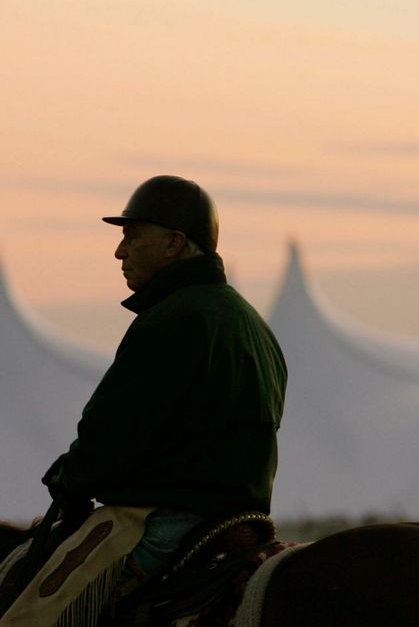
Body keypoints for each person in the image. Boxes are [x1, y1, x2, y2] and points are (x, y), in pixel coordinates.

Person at [42, 174, 288, 587]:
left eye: (133, 236)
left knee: (35, 607)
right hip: (240, 520)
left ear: (174, 243)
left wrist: (67, 481)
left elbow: (113, 435)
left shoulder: (172, 320)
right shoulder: (252, 324)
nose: (120, 251)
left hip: (168, 525)